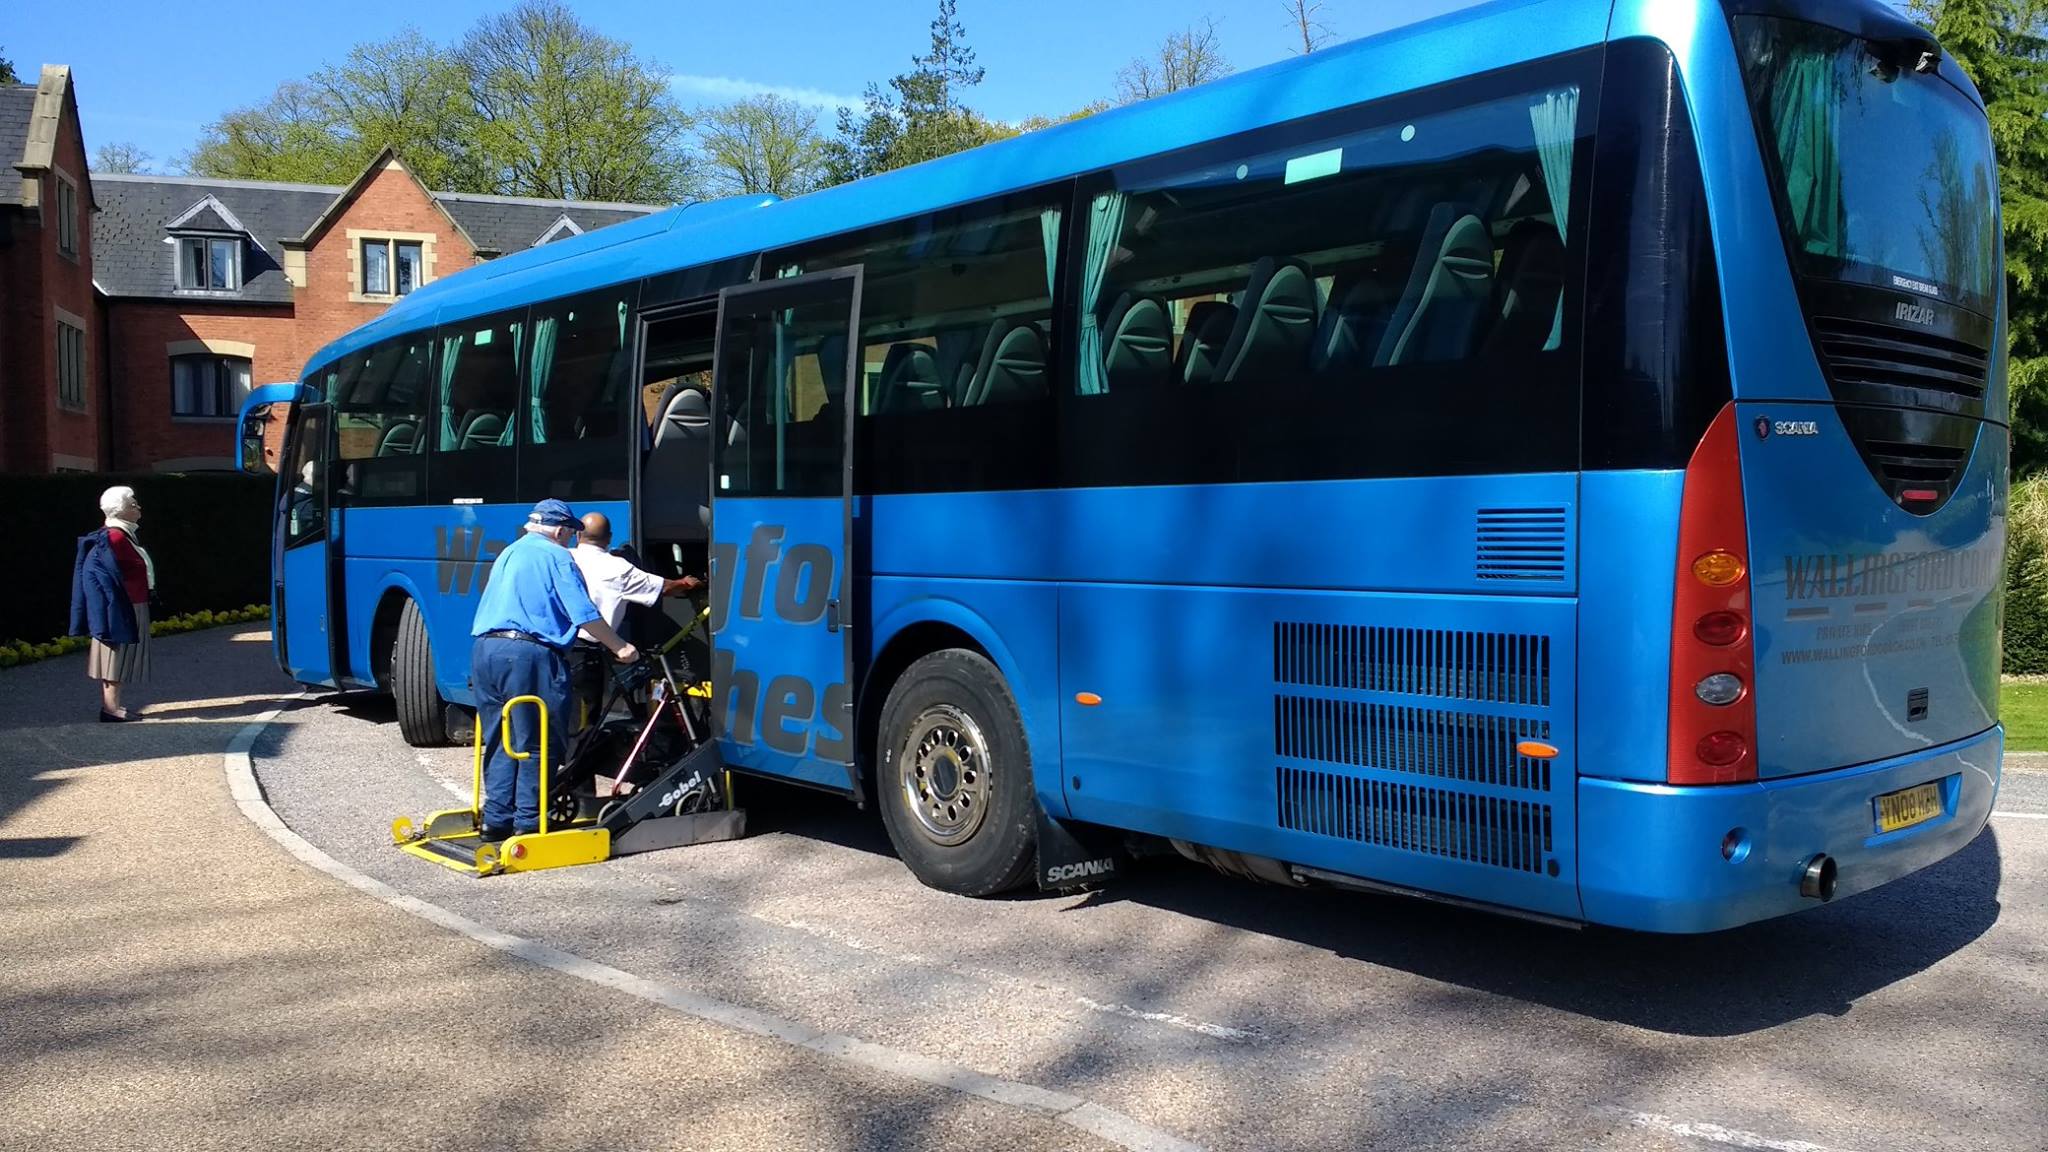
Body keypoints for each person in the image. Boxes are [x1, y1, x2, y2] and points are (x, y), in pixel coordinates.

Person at [470, 499, 638, 842]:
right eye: (569, 534)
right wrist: (621, 647)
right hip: (528, 654)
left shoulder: (509, 553)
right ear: (561, 530)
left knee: (501, 740)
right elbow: (583, 612)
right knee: (539, 740)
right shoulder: (557, 556)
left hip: (486, 651)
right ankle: (530, 821)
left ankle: (496, 820)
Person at [70, 486, 155, 722]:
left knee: (122, 656)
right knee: (115, 655)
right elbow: (94, 573)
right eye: (133, 504)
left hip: (130, 603)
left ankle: (113, 705)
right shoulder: (113, 538)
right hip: (121, 606)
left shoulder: (123, 535)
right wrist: (111, 605)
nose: (138, 507)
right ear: (120, 510)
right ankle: (110, 708)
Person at [570, 511, 701, 641]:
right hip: (591, 647)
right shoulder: (619, 568)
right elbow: (663, 588)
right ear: (609, 537)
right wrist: (685, 582)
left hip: (563, 645)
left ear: (578, 535)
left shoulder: (563, 557)